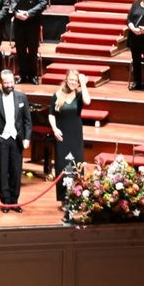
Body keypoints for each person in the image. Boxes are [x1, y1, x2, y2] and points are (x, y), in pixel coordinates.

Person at [0, 70, 31, 211]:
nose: (9, 85)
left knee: (16, 172)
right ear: (0, 82)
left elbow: (27, 120)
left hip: (16, 140)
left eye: (11, 82)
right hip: (0, 140)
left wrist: (27, 138)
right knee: (2, 173)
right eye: (6, 83)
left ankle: (14, 201)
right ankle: (5, 202)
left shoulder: (22, 97)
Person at [48, 69, 90, 199]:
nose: (73, 82)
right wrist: (54, 129)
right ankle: (63, 197)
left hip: (75, 135)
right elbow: (51, 114)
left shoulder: (79, 94)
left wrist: (83, 84)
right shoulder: (57, 94)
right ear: (66, 79)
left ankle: (77, 196)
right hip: (62, 135)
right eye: (71, 79)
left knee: (76, 165)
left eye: (75, 80)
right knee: (62, 165)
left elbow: (88, 102)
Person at [11, 0, 49, 84]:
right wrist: (16, 13)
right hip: (19, 22)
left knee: (32, 50)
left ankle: (32, 75)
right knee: (20, 50)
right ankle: (22, 75)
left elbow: (43, 3)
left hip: (33, 23)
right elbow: (13, 1)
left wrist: (28, 13)